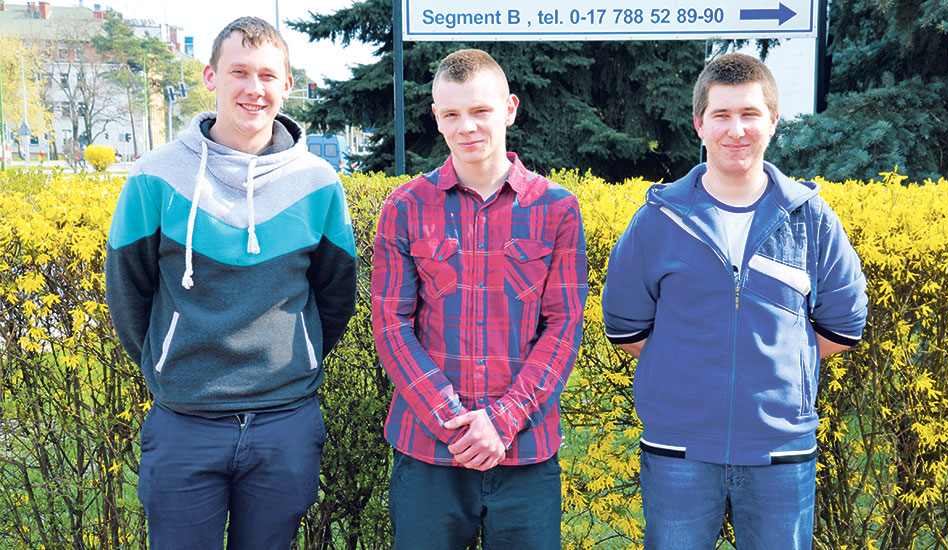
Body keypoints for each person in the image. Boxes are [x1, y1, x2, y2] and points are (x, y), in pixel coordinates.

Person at [104, 16, 356, 549]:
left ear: (287, 86)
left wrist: (298, 356)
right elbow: (128, 294)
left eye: (267, 75)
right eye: (238, 71)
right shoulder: (154, 176)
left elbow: (335, 296)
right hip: (185, 423)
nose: (253, 88)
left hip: (285, 423)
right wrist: (169, 364)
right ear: (210, 77)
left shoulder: (318, 182)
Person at [602, 53, 869, 549]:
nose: (736, 130)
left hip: (780, 452)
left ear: (773, 121)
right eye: (722, 115)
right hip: (678, 450)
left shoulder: (811, 220)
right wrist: (679, 362)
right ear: (699, 124)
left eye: (749, 114)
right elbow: (625, 327)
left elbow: (843, 325)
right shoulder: (658, 220)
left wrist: (783, 363)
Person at [370, 48, 588, 549]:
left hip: (525, 452)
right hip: (428, 451)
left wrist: (503, 419)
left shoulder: (556, 209)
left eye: (480, 110)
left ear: (509, 109)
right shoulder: (405, 207)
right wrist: (453, 421)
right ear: (436, 118)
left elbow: (563, 327)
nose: (466, 126)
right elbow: (391, 325)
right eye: (451, 114)